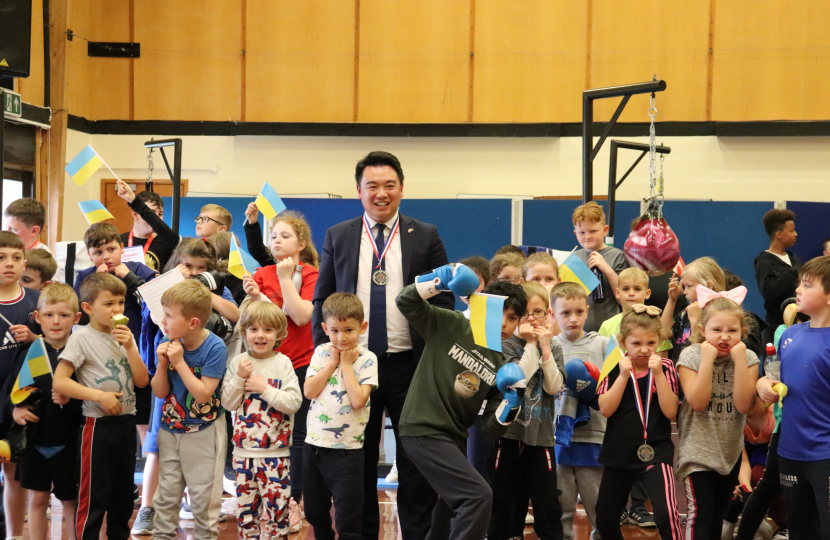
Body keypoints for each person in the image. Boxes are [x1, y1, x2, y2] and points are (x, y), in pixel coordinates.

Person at [311, 150, 452, 540]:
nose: (381, 193)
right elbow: (322, 300)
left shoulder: (425, 235)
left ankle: (417, 534)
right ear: (359, 191)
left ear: (402, 189)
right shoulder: (338, 236)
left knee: (415, 460)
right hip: (353, 366)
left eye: (390, 185)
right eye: (372, 186)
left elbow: (444, 302)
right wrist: (328, 354)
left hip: (412, 365)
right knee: (356, 461)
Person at [397, 269, 527, 540]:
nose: (504, 322)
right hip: (423, 427)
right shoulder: (452, 324)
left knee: (450, 506)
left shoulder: (502, 365)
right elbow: (405, 301)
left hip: (453, 438)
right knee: (477, 496)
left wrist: (511, 403)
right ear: (485, 307)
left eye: (513, 318)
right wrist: (438, 280)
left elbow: (492, 429)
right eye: (500, 312)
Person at [53, 272, 150, 540]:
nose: (117, 309)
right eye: (108, 304)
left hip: (126, 424)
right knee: (94, 497)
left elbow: (142, 381)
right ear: (87, 308)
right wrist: (99, 396)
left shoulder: (124, 337)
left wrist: (131, 346)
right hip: (97, 427)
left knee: (122, 498)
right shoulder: (82, 338)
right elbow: (60, 382)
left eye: (120, 302)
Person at [243, 210, 318, 526]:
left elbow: (300, 317)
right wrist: (255, 297)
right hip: (266, 366)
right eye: (273, 236)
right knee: (267, 433)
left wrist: (286, 279)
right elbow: (256, 322)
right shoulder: (261, 273)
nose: (276, 240)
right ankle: (265, 498)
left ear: (301, 243)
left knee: (297, 435)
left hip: (300, 365)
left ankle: (294, 503)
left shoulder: (311, 273)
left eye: (285, 236)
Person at [676, 287, 759, 540]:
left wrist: (742, 360)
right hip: (698, 453)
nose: (724, 337)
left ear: (742, 332)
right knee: (701, 517)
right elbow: (698, 402)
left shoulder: (749, 358)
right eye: (716, 330)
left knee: (717, 517)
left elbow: (744, 404)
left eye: (732, 331)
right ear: (703, 330)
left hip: (729, 452)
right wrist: (707, 360)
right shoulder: (690, 355)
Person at [595, 305, 682, 540]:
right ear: (623, 342)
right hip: (618, 453)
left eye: (651, 343)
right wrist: (623, 376)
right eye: (636, 344)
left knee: (666, 515)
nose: (644, 350)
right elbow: (605, 409)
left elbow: (670, 410)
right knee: (605, 519)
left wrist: (659, 377)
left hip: (656, 452)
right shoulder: (613, 365)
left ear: (659, 342)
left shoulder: (666, 367)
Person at [151, 280, 228, 540]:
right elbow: (160, 392)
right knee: (166, 497)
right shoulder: (167, 339)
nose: (163, 321)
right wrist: (162, 365)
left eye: (169, 316)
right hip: (170, 429)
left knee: (203, 500)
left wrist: (179, 361)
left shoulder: (215, 347)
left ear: (193, 323)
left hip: (204, 432)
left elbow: (204, 394)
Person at [222, 301, 302, 540]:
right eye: (254, 329)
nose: (260, 335)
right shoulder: (238, 363)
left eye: (268, 330)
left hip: (276, 455)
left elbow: (293, 402)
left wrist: (263, 388)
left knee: (278, 513)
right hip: (243, 454)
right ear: (244, 332)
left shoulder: (283, 363)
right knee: (246, 515)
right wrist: (239, 378)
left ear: (279, 334)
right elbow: (227, 403)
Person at [491, 281, 564, 540]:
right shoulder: (507, 344)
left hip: (541, 436)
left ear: (548, 314)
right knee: (504, 499)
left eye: (538, 312)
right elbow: (517, 378)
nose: (531, 319)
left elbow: (554, 387)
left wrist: (544, 347)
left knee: (546, 501)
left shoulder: (553, 346)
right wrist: (531, 344)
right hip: (508, 434)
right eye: (525, 314)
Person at [303, 292, 377, 540]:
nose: (341, 337)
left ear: (362, 327)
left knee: (347, 520)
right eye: (335, 330)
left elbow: (358, 401)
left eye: (348, 330)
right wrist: (332, 363)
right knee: (314, 512)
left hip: (347, 450)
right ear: (325, 328)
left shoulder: (367, 359)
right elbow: (309, 391)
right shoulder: (322, 352)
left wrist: (346, 365)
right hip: (314, 446)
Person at [11, 284, 82, 540]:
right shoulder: (33, 350)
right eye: (49, 315)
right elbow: (18, 389)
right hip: (36, 439)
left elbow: (90, 393)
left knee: (71, 502)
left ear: (76, 318)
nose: (56, 322)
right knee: (38, 499)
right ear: (38, 318)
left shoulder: (80, 349)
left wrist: (71, 394)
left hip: (71, 440)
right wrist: (17, 410)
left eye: (63, 315)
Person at [775, 256, 830, 539]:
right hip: (790, 452)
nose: (798, 290)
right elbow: (779, 382)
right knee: (799, 529)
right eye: (799, 283)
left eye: (807, 285)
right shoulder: (790, 335)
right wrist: (764, 384)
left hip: (825, 454)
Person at [550, 282, 609, 540]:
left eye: (578, 312)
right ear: (553, 315)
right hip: (558, 438)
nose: (573, 319)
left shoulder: (604, 345)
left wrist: (594, 389)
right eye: (565, 313)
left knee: (598, 505)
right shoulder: (549, 347)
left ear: (587, 311)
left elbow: (614, 386)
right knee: (561, 507)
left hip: (594, 436)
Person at [0, 232, 41, 540]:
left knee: (14, 475)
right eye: (1, 258)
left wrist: (36, 339)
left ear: (25, 262)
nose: (9, 264)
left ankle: (14, 536)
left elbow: (58, 350)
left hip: (18, 404)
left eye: (15, 258)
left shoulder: (36, 302)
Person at [73, 222, 158, 339]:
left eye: (111, 249)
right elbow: (79, 316)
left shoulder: (137, 269)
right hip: (98, 342)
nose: (105, 257)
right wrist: (96, 282)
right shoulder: (84, 277)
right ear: (89, 255)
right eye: (98, 252)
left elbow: (156, 305)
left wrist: (130, 278)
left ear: (122, 248)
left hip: (136, 340)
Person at [572, 201, 629, 332]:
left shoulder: (618, 256)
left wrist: (606, 269)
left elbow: (624, 296)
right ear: (576, 234)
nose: (587, 236)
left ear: (605, 230)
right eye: (582, 232)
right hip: (580, 330)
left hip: (610, 329)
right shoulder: (574, 259)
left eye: (593, 231)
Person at [663, 257, 726, 364]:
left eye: (689, 286)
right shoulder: (687, 311)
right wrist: (672, 300)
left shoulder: (721, 314)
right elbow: (664, 333)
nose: (684, 292)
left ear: (708, 286)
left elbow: (702, 353)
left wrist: (694, 320)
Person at [115, 181, 180, 271]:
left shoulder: (167, 242)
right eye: (152, 214)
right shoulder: (117, 242)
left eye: (160, 214)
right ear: (135, 214)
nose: (157, 219)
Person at [754, 209, 801, 332]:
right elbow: (769, 292)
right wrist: (791, 273)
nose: (795, 234)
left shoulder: (793, 257)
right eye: (791, 231)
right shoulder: (764, 261)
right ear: (779, 234)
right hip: (777, 326)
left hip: (798, 322)